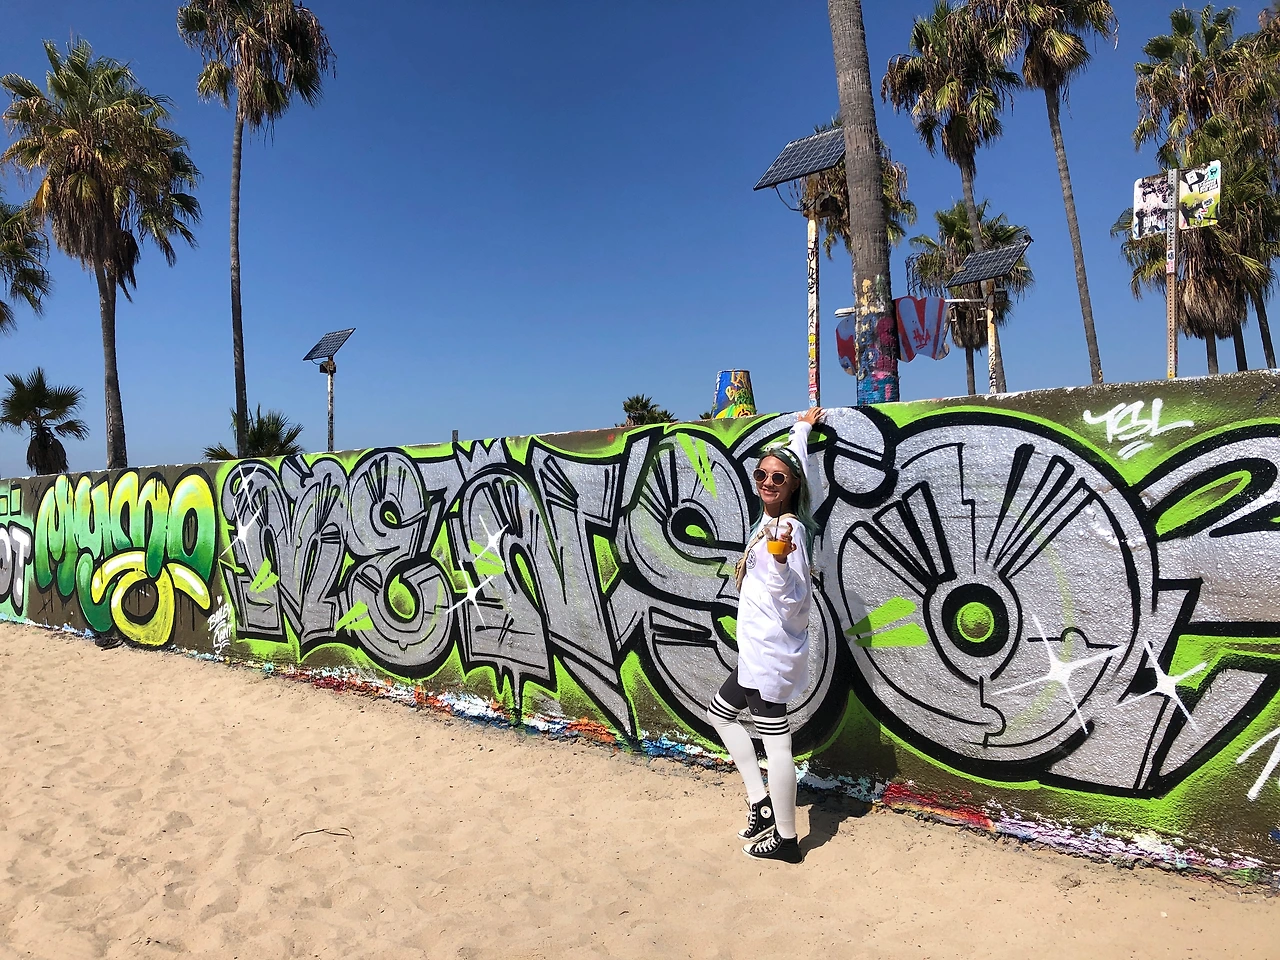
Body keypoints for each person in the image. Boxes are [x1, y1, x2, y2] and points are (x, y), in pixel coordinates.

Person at [707, 406, 823, 863]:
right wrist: (802, 430)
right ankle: (761, 802)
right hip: (754, 653)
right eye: (762, 475)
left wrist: (778, 564)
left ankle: (788, 840)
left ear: (792, 487)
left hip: (770, 654)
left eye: (778, 478)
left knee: (778, 746)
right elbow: (796, 461)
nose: (768, 482)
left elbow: (794, 598)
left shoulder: (787, 530)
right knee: (720, 714)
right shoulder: (770, 520)